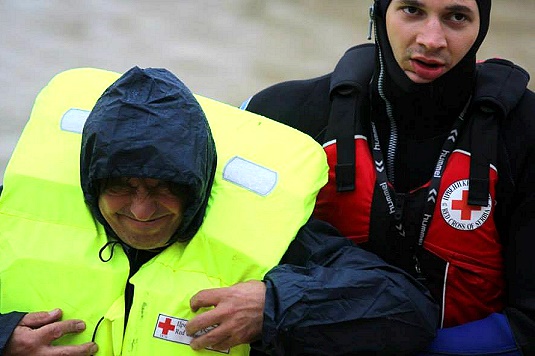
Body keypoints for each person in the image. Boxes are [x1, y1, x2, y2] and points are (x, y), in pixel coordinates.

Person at [0, 66, 438, 354]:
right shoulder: (14, 212)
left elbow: (409, 313)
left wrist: (276, 304)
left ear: (197, 183)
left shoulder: (276, 240)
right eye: (120, 187)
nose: (140, 209)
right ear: (91, 180)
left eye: (163, 188)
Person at [230, 0, 535, 354]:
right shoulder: (281, 115)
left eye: (457, 17)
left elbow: (529, 325)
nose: (432, 39)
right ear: (379, 13)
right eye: (412, 10)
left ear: (481, 26)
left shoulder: (524, 135)